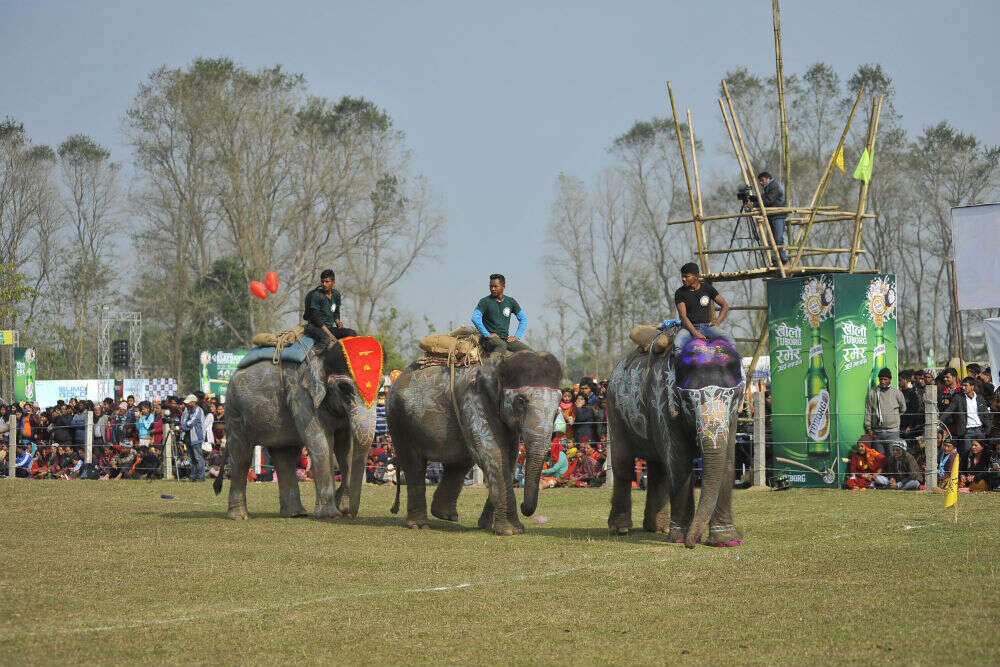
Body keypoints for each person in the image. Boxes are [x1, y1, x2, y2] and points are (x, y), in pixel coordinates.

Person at [672, 262, 731, 354]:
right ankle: (680, 368)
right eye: (682, 276)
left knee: (729, 339)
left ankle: (737, 366)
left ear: (696, 276)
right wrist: (696, 334)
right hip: (688, 328)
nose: (683, 279)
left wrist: (717, 322)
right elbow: (683, 316)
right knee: (677, 345)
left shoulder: (707, 288)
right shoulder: (680, 293)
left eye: (687, 276)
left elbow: (725, 305)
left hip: (707, 326)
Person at [471, 273, 529, 356]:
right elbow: (475, 318)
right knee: (501, 345)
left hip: (505, 339)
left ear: (503, 286)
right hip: (488, 340)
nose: (493, 289)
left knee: (528, 351)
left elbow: (523, 319)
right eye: (491, 286)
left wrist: (517, 336)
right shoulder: (484, 301)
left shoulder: (511, 301)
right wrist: (487, 334)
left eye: (495, 286)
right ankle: (491, 366)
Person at [943, 376, 992, 473]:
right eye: (962, 385)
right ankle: (964, 476)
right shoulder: (958, 398)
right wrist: (940, 421)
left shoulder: (980, 398)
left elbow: (987, 415)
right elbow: (950, 410)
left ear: (972, 387)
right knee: (965, 454)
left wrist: (987, 429)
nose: (963, 387)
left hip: (980, 430)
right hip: (967, 432)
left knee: (983, 454)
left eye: (966, 385)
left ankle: (981, 476)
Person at [863, 368, 908, 456]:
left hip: (893, 432)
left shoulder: (896, 393)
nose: (883, 381)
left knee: (893, 457)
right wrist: (868, 428)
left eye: (885, 379)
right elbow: (868, 411)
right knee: (879, 458)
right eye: (881, 379)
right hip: (877, 433)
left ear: (890, 379)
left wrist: (893, 417)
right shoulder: (873, 393)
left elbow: (903, 408)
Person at [747, 171, 788, 264]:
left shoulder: (774, 186)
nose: (761, 183)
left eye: (762, 180)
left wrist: (754, 205)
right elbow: (763, 198)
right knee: (770, 240)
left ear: (768, 179)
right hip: (771, 216)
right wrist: (753, 198)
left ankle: (783, 260)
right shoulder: (768, 187)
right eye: (760, 181)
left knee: (778, 239)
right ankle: (775, 260)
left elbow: (769, 200)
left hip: (778, 215)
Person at [180, 394, 206, 482]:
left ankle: (201, 476)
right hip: (187, 436)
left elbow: (192, 422)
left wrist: (184, 426)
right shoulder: (187, 410)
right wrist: (184, 426)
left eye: (189, 402)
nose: (187, 404)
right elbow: (183, 421)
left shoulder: (199, 410)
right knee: (191, 458)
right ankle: (192, 476)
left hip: (196, 437)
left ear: (194, 402)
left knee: (198, 457)